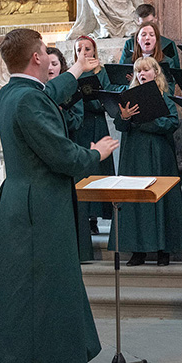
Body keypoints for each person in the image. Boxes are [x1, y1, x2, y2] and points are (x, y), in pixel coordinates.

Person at [0, 28, 119, 363]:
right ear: (36, 58)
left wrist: (77, 68)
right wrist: (95, 153)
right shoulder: (28, 101)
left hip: (23, 202)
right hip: (39, 208)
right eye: (46, 52)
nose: (50, 57)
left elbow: (51, 93)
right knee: (44, 295)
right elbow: (62, 155)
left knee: (34, 292)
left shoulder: (10, 93)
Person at [112, 57, 182, 266]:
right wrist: (125, 116)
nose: (142, 74)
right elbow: (120, 125)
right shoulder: (128, 96)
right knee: (136, 200)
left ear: (156, 72)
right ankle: (138, 250)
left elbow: (172, 123)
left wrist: (147, 122)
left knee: (160, 198)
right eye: (139, 71)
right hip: (134, 155)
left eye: (146, 70)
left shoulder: (164, 96)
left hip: (158, 155)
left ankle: (164, 249)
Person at [74, 35, 125, 250]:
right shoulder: (73, 72)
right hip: (80, 126)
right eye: (79, 49)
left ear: (94, 50)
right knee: (83, 171)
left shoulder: (100, 71)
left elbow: (107, 94)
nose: (84, 52)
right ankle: (84, 215)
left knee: (99, 169)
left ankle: (96, 216)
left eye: (87, 48)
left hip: (96, 124)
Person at [119, 4, 180, 71]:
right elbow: (122, 69)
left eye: (150, 22)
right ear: (138, 21)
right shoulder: (130, 44)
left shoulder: (168, 44)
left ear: (155, 19)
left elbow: (175, 71)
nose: (147, 26)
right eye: (143, 24)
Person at [131, 22, 178, 93]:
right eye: (143, 35)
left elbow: (170, 90)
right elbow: (117, 86)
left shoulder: (166, 61)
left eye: (151, 35)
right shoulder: (129, 60)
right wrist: (133, 82)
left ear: (156, 39)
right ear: (138, 39)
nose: (147, 38)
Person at [46, 46, 84, 136]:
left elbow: (77, 122)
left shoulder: (71, 88)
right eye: (46, 64)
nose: (50, 68)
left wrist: (60, 111)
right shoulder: (37, 87)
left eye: (54, 64)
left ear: (61, 66)